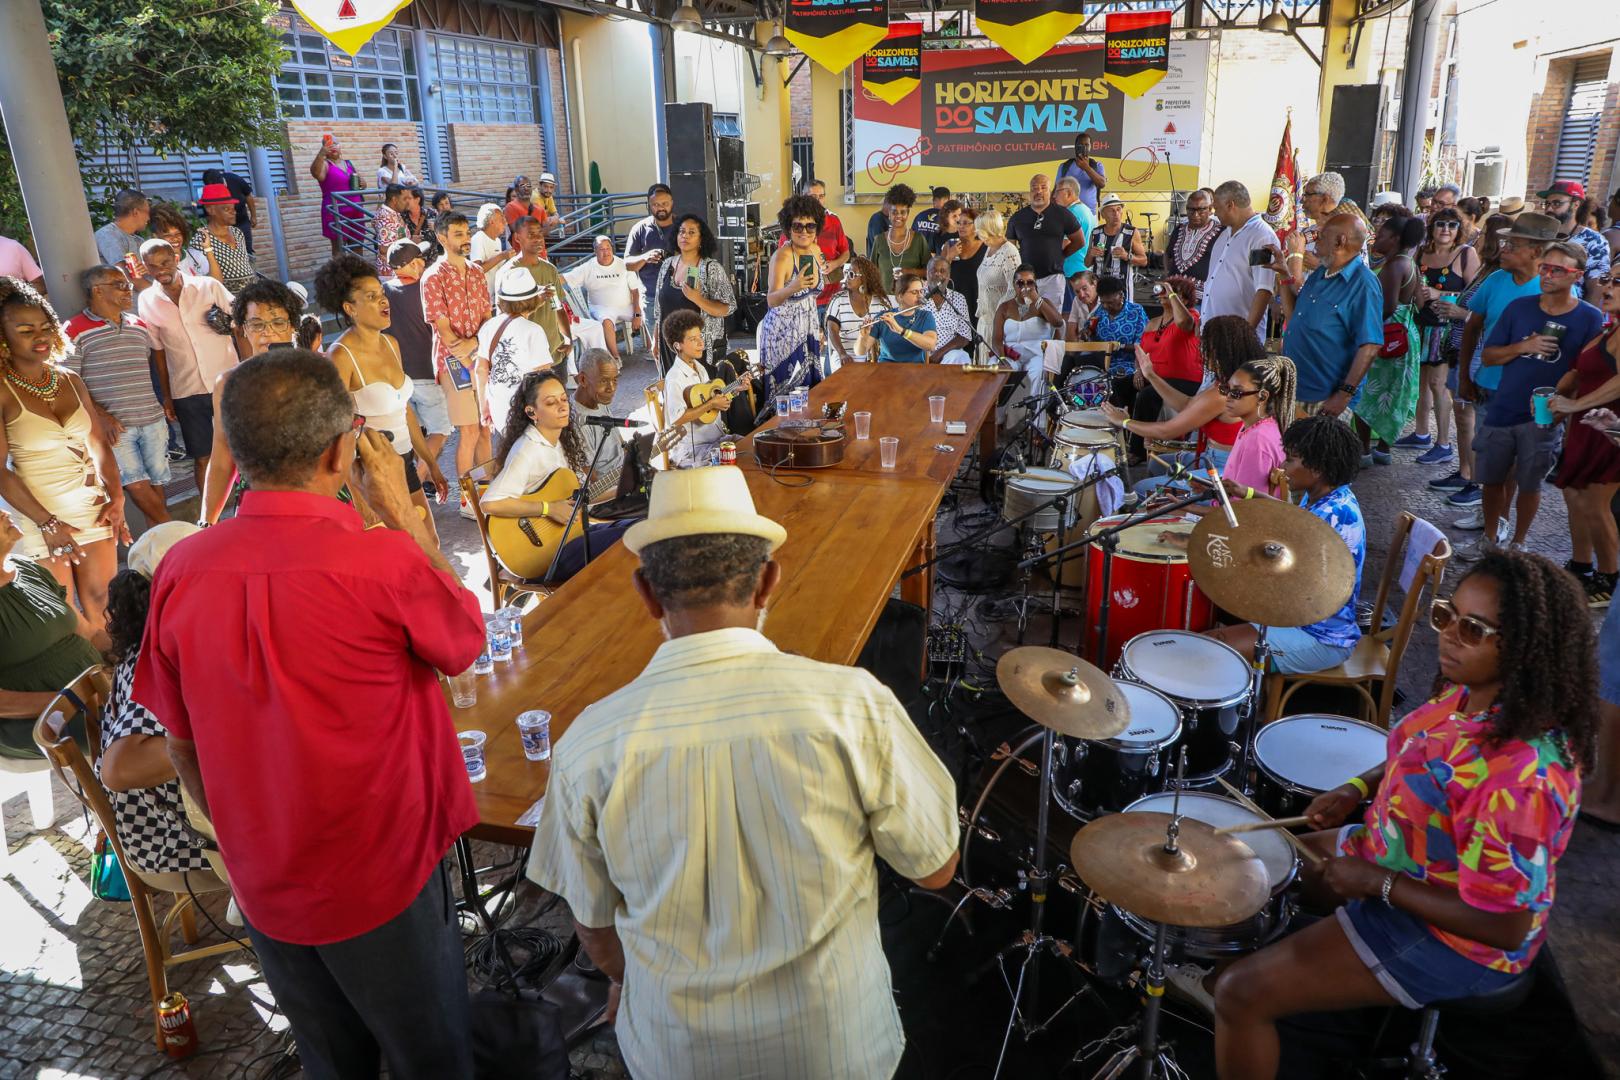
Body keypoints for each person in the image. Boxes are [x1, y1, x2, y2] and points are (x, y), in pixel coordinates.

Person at [526, 465, 959, 1080]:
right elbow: (935, 865)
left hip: (676, 1054)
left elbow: (595, 933)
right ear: (769, 583)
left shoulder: (590, 744)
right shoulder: (852, 705)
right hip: (836, 1049)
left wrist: (639, 983)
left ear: (647, 594)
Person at [135, 348, 483, 1080]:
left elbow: (180, 744)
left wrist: (239, 846)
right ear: (339, 448)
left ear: (237, 451)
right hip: (382, 877)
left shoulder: (181, 567)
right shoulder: (379, 561)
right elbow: (463, 640)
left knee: (331, 1061)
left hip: (264, 878)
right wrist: (403, 517)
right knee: (433, 1058)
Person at [1209, 551, 1595, 1080]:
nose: (1451, 635)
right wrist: (1354, 788)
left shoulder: (1522, 777)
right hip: (1401, 862)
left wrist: (1378, 883)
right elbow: (1418, 751)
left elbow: (1506, 925)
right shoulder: (1469, 694)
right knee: (1256, 871)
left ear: (1528, 645)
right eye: (1446, 615)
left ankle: (1261, 1003)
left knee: (1241, 992)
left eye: (1475, 628)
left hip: (1455, 939)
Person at [0, 276, 126, 646]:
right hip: (39, 516)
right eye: (24, 330)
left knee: (104, 605)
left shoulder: (69, 379)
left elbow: (100, 444)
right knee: (62, 614)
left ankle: (117, 686)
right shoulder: (2, 390)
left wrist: (116, 497)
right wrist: (49, 523)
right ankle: (84, 693)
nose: (39, 336)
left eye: (44, 326)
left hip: (92, 507)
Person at [98, 522, 222, 883]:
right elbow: (119, 768)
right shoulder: (160, 654)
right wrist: (237, 729)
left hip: (192, 816)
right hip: (175, 839)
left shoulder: (165, 633)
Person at [1204, 414, 1364, 676]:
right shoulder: (1328, 496)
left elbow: (1295, 579)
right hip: (1301, 620)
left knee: (1213, 646)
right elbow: (1294, 518)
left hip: (1321, 638)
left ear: (1317, 468)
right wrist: (1251, 494)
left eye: (1290, 459)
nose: (1282, 466)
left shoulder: (1334, 516)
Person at [1471, 240, 1604, 554]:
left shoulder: (1589, 318)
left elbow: (1586, 372)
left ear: (1577, 276)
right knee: (1491, 479)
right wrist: (1523, 347)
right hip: (1504, 406)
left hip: (1545, 413)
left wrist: (1566, 408)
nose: (1547, 274)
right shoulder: (1520, 308)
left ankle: (1519, 543)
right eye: (1545, 267)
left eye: (1558, 270)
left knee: (1530, 483)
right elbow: (1489, 356)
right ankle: (1490, 539)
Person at [314, 253, 448, 541]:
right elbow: (337, 434)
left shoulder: (392, 343)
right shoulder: (339, 356)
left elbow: (404, 412)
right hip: (370, 470)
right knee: (404, 554)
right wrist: (362, 502)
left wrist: (431, 464)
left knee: (431, 542)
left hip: (405, 462)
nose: (383, 301)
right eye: (372, 296)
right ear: (350, 307)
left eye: (382, 294)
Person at [1457, 212, 1559, 537]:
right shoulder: (1496, 280)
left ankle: (1505, 530)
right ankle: (1492, 523)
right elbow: (1473, 326)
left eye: (1512, 244)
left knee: (1522, 468)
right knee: (1491, 464)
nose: (1503, 249)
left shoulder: (1549, 288)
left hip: (1529, 397)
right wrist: (1463, 376)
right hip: (1489, 386)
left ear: (1536, 251)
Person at [481, 369, 636, 580]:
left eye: (564, 398)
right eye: (551, 402)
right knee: (635, 538)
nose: (563, 406)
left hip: (569, 535)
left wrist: (626, 485)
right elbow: (490, 503)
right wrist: (548, 509)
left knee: (642, 526)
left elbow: (578, 499)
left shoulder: (559, 441)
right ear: (531, 412)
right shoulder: (528, 450)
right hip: (546, 552)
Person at [199, 277, 313, 527]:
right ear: (243, 328)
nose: (268, 332)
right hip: (258, 506)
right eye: (257, 324)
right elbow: (221, 456)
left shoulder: (316, 373)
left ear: (293, 326)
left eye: (278, 322)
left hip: (318, 498)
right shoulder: (228, 383)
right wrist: (206, 522)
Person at [64, 265, 171, 526]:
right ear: (97, 290)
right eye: (120, 284)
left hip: (152, 419)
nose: (129, 289)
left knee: (157, 485)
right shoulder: (73, 329)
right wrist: (100, 416)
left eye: (128, 285)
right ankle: (179, 536)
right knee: (135, 484)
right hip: (115, 428)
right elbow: (67, 382)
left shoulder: (138, 325)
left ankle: (161, 551)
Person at [1105, 314, 1263, 492]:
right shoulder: (1231, 381)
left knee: (1141, 489)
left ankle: (1179, 511)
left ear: (1222, 350)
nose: (1202, 351)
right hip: (1214, 455)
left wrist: (1125, 422)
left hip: (1224, 466)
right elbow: (1188, 405)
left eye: (1206, 346)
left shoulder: (1224, 393)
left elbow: (1167, 430)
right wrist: (1150, 374)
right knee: (1157, 466)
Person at [0, 507, 102, 759]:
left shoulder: (26, 568)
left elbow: (88, 633)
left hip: (96, 691)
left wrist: (139, 650)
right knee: (135, 725)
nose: (4, 512)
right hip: (38, 716)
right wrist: (71, 699)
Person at [135, 239, 236, 485]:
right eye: (152, 266)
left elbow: (241, 325)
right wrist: (167, 397)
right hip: (187, 390)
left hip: (228, 383)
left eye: (165, 262)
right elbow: (158, 352)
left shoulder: (209, 286)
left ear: (176, 258)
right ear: (145, 268)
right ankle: (207, 521)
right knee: (202, 457)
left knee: (243, 450)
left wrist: (248, 371)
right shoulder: (147, 300)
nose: (160, 270)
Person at [1430, 213, 1511, 518]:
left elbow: (1489, 321)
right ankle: (1466, 474)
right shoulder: (1489, 270)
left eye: (1489, 235)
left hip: (1479, 351)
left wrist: (1457, 312)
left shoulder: (1496, 274)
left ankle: (1475, 483)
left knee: (1472, 419)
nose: (1481, 238)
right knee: (1464, 419)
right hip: (1463, 347)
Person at [1550, 275, 1620, 605]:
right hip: (1587, 427)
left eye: (1618, 282)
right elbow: (1580, 372)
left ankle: (1608, 579)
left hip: (1610, 431)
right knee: (1576, 496)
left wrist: (1574, 404)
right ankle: (1581, 566)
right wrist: (1559, 402)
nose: (1607, 288)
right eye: (1607, 279)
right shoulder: (1610, 328)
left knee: (1596, 504)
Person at [419, 212, 492, 517]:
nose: (465, 239)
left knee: (487, 429)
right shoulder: (433, 277)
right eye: (458, 234)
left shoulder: (476, 272)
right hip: (453, 365)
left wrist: (475, 345)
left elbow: (488, 319)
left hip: (480, 358)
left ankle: (486, 492)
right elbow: (445, 331)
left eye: (467, 233)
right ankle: (467, 501)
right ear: (442, 238)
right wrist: (468, 352)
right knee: (470, 431)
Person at [1273, 214, 1383, 415]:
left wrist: (1344, 394)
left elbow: (1370, 345)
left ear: (1339, 242)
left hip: (1325, 399)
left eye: (1321, 236)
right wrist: (1283, 274)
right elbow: (1295, 316)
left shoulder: (1363, 284)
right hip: (1296, 390)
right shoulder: (1322, 272)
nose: (1314, 241)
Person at [1398, 207, 1482, 464]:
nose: (1446, 229)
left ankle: (1443, 443)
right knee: (1422, 384)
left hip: (1448, 332)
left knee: (1438, 385)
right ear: (1431, 228)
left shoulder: (1466, 254)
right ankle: (1422, 433)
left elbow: (1476, 296)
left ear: (1460, 230)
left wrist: (1439, 293)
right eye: (1441, 224)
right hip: (1422, 324)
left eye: (1452, 225)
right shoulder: (1422, 253)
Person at [1355, 212, 1429, 461]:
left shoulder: (1395, 264)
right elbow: (1419, 301)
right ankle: (1383, 449)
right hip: (1404, 336)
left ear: (1395, 238)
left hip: (1386, 337)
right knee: (1392, 393)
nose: (1377, 238)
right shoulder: (1409, 263)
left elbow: (1386, 306)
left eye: (1382, 234)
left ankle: (1364, 450)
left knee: (1366, 392)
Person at [380, 240, 449, 490]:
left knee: (415, 434)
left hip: (399, 377)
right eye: (419, 259)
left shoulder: (384, 291)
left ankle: (424, 479)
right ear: (409, 264)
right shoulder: (425, 288)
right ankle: (416, 483)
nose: (423, 262)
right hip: (428, 373)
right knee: (440, 431)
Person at [1120, 274, 1201, 456]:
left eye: (1173, 292)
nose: (1165, 294)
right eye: (1164, 291)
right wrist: (1138, 371)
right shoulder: (1153, 323)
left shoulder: (1191, 316)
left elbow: (1184, 323)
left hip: (1183, 379)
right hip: (1154, 376)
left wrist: (1172, 294)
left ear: (1185, 300)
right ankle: (1116, 439)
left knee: (1147, 396)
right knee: (1118, 386)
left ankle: (1137, 451)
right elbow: (1141, 351)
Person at [477, 266, 556, 445]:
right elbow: (543, 376)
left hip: (499, 405)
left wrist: (484, 406)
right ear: (534, 299)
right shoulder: (533, 331)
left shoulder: (489, 326)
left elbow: (481, 370)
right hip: (526, 409)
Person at [650, 214, 736, 374]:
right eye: (681, 232)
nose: (685, 236)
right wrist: (656, 339)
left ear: (701, 239)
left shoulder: (711, 268)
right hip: (670, 346)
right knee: (675, 393)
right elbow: (658, 309)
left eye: (691, 232)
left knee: (701, 395)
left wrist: (697, 299)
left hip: (700, 347)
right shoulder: (667, 265)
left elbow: (728, 307)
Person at [659, 311, 747, 467]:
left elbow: (709, 400)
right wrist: (711, 404)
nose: (701, 343)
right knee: (740, 461)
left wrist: (736, 389)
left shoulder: (699, 368)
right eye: (693, 339)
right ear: (677, 345)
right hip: (692, 451)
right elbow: (677, 418)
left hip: (716, 439)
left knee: (749, 445)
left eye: (700, 337)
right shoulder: (674, 378)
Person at [758, 195, 825, 393]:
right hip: (783, 336)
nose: (804, 231)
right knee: (787, 398)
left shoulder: (815, 249)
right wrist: (792, 288)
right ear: (788, 228)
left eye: (810, 226)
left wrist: (817, 328)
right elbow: (771, 300)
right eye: (797, 226)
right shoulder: (782, 256)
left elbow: (811, 296)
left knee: (810, 395)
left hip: (807, 331)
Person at [1202, 181, 1278, 340]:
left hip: (1238, 337)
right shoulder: (1224, 234)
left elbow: (1263, 290)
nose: (1214, 214)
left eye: (1217, 208)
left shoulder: (1261, 236)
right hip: (1214, 332)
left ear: (1230, 205)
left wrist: (1245, 334)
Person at [1007, 174, 1086, 311]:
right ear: (1030, 192)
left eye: (1043, 188)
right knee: (1027, 320)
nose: (1038, 192)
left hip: (1053, 278)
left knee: (1054, 320)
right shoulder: (1017, 218)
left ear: (1050, 191)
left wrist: (1061, 255)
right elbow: (1010, 249)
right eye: (1034, 188)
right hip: (1026, 280)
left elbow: (1079, 241)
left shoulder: (1063, 214)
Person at [566, 236, 642, 363]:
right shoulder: (588, 267)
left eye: (608, 248)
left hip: (626, 305)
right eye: (601, 249)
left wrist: (637, 313)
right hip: (601, 307)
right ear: (595, 251)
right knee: (606, 321)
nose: (606, 252)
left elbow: (635, 290)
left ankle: (653, 350)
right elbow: (566, 278)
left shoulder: (623, 264)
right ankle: (616, 357)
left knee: (650, 313)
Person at [992, 266, 1062, 393]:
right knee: (998, 372)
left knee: (1039, 372)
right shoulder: (1004, 307)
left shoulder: (1043, 303)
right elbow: (996, 340)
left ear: (1035, 284)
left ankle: (1036, 411)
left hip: (1037, 354)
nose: (1025, 286)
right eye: (1020, 283)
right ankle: (1001, 412)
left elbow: (1058, 322)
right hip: (1011, 355)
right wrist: (1002, 360)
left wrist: (1037, 300)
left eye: (1030, 282)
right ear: (1014, 285)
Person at [570, 349, 626, 502]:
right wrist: (627, 484)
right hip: (609, 493)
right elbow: (594, 482)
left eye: (615, 380)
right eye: (603, 381)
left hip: (624, 475)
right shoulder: (577, 422)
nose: (611, 388)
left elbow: (620, 443)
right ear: (582, 379)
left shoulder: (598, 399)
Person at [1540, 180, 1610, 298]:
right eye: (1547, 204)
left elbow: (1596, 289)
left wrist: (1587, 316)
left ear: (1575, 204)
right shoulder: (1538, 234)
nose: (1549, 209)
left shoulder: (1594, 240)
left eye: (1556, 203)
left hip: (1569, 310)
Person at [1088, 275, 1148, 410]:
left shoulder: (1136, 311)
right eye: (1102, 302)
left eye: (1109, 302)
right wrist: (1087, 333)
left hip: (1128, 365)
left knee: (1116, 384)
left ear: (1121, 295)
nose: (1105, 306)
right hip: (1101, 364)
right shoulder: (1101, 311)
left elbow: (1143, 345)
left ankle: (1122, 423)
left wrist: (1119, 346)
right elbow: (1090, 332)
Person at [824, 255, 891, 368]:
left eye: (851, 275)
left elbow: (886, 334)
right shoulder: (838, 300)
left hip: (872, 355)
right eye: (846, 273)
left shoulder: (880, 303)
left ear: (864, 279)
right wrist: (842, 354)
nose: (847, 277)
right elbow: (832, 330)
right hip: (844, 353)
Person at [625, 184, 677, 329]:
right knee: (657, 348)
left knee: (681, 345)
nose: (660, 207)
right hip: (651, 297)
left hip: (681, 296)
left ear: (672, 203)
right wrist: (645, 257)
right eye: (655, 204)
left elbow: (698, 261)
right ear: (649, 205)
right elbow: (627, 264)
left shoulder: (683, 227)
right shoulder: (639, 229)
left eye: (665, 203)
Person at [859, 273, 936, 365]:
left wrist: (901, 331)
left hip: (916, 371)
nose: (920, 296)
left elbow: (931, 345)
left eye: (921, 291)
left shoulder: (925, 316)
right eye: (914, 292)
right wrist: (863, 337)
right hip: (887, 369)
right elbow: (860, 352)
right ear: (900, 296)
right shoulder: (885, 317)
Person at [189, 184, 254, 294]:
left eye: (233, 208)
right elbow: (204, 279)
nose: (233, 212)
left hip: (250, 295)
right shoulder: (201, 240)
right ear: (210, 210)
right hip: (225, 300)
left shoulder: (237, 232)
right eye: (226, 209)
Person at [801, 178, 852, 313]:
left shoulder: (833, 220)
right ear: (803, 197)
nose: (818, 200)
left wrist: (834, 264)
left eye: (821, 196)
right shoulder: (794, 224)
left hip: (831, 297)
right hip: (804, 299)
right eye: (813, 197)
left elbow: (846, 253)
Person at [974, 210, 1020, 355]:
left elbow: (1014, 288)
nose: (977, 234)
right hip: (986, 319)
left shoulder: (1009, 252)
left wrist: (999, 314)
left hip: (1000, 322)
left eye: (979, 230)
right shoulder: (989, 249)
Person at [309, 136, 363, 258]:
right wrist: (321, 154)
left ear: (341, 146)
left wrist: (361, 183)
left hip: (356, 210)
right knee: (339, 248)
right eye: (328, 144)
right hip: (336, 211)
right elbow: (316, 174)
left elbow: (362, 183)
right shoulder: (325, 164)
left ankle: (358, 275)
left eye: (335, 143)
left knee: (358, 245)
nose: (332, 146)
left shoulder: (348, 163)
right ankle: (341, 276)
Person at [867, 184, 930, 289]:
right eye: (894, 212)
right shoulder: (879, 240)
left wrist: (910, 272)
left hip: (912, 300)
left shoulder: (919, 239)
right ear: (889, 214)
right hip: (884, 300)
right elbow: (871, 272)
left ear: (908, 213)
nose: (898, 216)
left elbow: (929, 271)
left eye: (903, 212)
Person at [1087, 194, 1145, 299]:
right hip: (1100, 288)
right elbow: (1087, 263)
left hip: (1122, 289)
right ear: (1103, 214)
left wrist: (1127, 256)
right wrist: (1091, 254)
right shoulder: (1096, 233)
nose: (1116, 214)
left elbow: (1144, 260)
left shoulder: (1131, 232)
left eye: (1118, 209)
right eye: (1111, 211)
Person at [94, 189, 152, 291]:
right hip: (129, 305)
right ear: (135, 212)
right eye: (147, 212)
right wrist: (163, 297)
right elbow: (128, 277)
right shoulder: (107, 235)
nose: (148, 218)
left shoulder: (139, 240)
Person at [922, 256, 973, 364]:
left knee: (961, 356)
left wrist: (939, 354)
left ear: (949, 276)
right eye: (934, 270)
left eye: (942, 271)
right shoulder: (917, 297)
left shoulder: (958, 298)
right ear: (927, 273)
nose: (938, 274)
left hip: (948, 354)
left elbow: (964, 336)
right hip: (921, 353)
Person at [1165, 187, 1219, 288]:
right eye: (1191, 209)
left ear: (1210, 209)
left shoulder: (1221, 232)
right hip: (1175, 293)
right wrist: (1167, 274)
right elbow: (1168, 254)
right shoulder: (1179, 229)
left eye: (1201, 209)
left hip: (1203, 297)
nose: (1195, 214)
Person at [146, 203, 215, 281]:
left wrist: (208, 249)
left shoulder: (195, 255)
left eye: (178, 233)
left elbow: (217, 281)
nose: (175, 238)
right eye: (168, 235)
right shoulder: (154, 266)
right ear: (155, 237)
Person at [200, 167, 256, 257]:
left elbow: (248, 196)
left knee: (247, 252)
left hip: (242, 222)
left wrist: (253, 216)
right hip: (224, 228)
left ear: (222, 179)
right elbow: (209, 216)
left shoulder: (234, 179)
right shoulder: (208, 195)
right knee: (230, 254)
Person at [949, 208, 985, 332]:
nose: (961, 226)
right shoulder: (951, 245)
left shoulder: (986, 247)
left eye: (966, 223)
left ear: (976, 226)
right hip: (956, 300)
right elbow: (938, 273)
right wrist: (949, 256)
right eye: (959, 223)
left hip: (977, 299)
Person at [1053, 177, 1096, 278]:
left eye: (1057, 191)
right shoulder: (1087, 210)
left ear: (1068, 193)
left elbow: (1064, 244)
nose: (1054, 196)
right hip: (1085, 268)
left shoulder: (1070, 213)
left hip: (1071, 271)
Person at [1056, 131, 1107, 212]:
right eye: (1080, 145)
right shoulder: (1064, 166)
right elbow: (1056, 190)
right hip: (1067, 214)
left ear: (1091, 147)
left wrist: (1086, 167)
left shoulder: (1097, 165)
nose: (1083, 147)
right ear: (1075, 147)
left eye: (1086, 145)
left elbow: (1101, 184)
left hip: (1090, 215)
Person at [372, 184, 411, 277]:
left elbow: (373, 223)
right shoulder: (386, 217)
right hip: (392, 272)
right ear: (394, 200)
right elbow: (383, 249)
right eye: (404, 199)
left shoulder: (392, 212)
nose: (407, 202)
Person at [504, 175, 548, 257]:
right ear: (516, 190)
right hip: (522, 257)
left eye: (529, 186)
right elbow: (518, 230)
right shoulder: (510, 207)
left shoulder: (539, 208)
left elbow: (547, 228)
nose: (526, 188)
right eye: (522, 186)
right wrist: (538, 231)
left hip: (541, 255)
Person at [864, 183, 909, 254]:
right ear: (886, 202)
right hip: (879, 263)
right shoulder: (877, 219)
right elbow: (881, 246)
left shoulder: (892, 220)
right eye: (895, 205)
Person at [909, 186, 951, 252]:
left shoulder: (920, 215)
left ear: (933, 200)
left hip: (918, 256)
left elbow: (911, 236)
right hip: (938, 259)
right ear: (948, 200)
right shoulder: (948, 219)